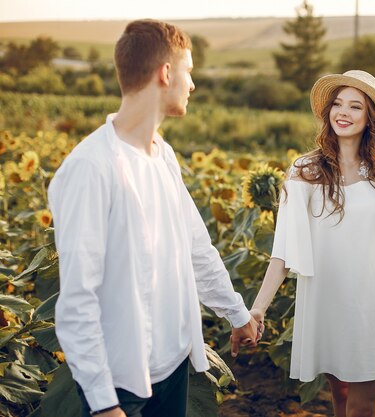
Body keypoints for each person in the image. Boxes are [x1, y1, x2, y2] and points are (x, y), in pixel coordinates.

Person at [48, 19, 259, 417]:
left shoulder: (163, 155)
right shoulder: (90, 168)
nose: (192, 85)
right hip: (121, 381)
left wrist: (236, 313)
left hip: (174, 365)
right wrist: (103, 403)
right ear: (166, 73)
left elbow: (196, 247)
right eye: (189, 71)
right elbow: (78, 299)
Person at [250, 70, 375, 417]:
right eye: (337, 104)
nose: (343, 112)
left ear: (371, 117)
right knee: (339, 396)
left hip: (373, 300)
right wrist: (259, 309)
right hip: (327, 298)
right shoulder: (305, 171)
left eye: (356, 106)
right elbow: (283, 250)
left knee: (361, 405)